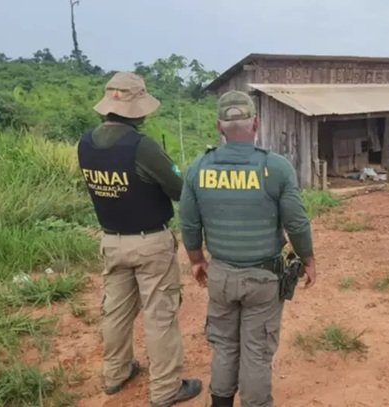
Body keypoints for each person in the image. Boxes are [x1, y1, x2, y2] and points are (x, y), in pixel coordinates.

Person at [179, 90, 316, 407]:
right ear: (256, 123)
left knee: (225, 346)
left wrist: (196, 260)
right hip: (263, 279)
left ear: (219, 126)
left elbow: (188, 223)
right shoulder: (276, 167)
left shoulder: (198, 167)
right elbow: (296, 223)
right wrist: (308, 259)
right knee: (256, 351)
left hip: (221, 275)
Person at [77, 72, 202, 407]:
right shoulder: (141, 146)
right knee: (159, 315)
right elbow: (179, 189)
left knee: (115, 311)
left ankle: (115, 374)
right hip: (149, 243)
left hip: (111, 241)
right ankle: (165, 389)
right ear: (137, 110)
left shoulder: (85, 143)